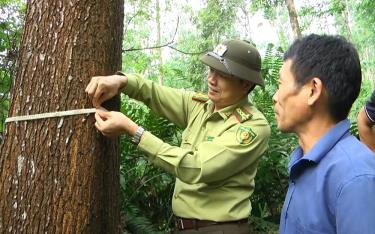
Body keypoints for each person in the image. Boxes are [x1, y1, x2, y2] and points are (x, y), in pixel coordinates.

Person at [86, 40, 270, 233]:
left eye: (222, 75)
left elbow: (196, 167)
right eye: (211, 70)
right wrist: (122, 81)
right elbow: (154, 93)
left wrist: (135, 132)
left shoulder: (251, 126)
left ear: (245, 84)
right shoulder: (201, 106)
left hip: (221, 229)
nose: (211, 80)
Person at [273, 34, 375, 234]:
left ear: (313, 91)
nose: (275, 96)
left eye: (280, 84)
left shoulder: (355, 179)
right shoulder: (306, 162)